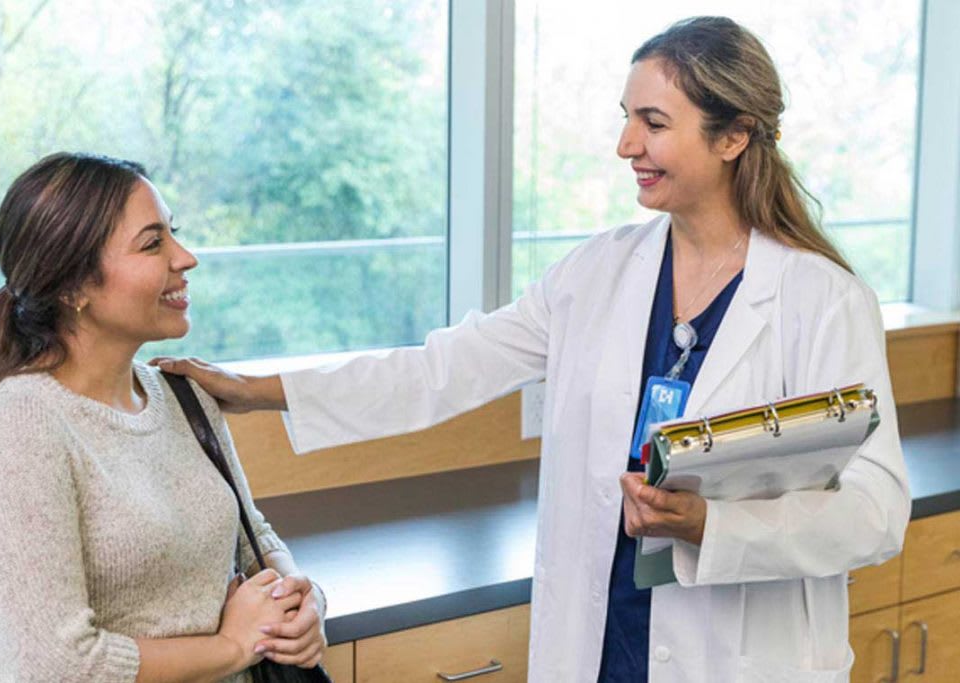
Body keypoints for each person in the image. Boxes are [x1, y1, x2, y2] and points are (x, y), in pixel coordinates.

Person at [155, 16, 909, 683]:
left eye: (653, 122)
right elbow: (443, 368)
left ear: (734, 135)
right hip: (598, 640)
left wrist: (713, 526)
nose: (625, 145)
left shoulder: (821, 301)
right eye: (626, 118)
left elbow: (876, 511)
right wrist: (262, 391)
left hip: (736, 652)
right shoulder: (599, 271)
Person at [0, 152, 327, 682]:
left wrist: (303, 602)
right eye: (153, 243)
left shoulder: (182, 394)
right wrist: (233, 647)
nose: (186, 257)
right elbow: (54, 664)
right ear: (72, 287)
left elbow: (252, 537)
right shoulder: (15, 424)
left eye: (174, 233)